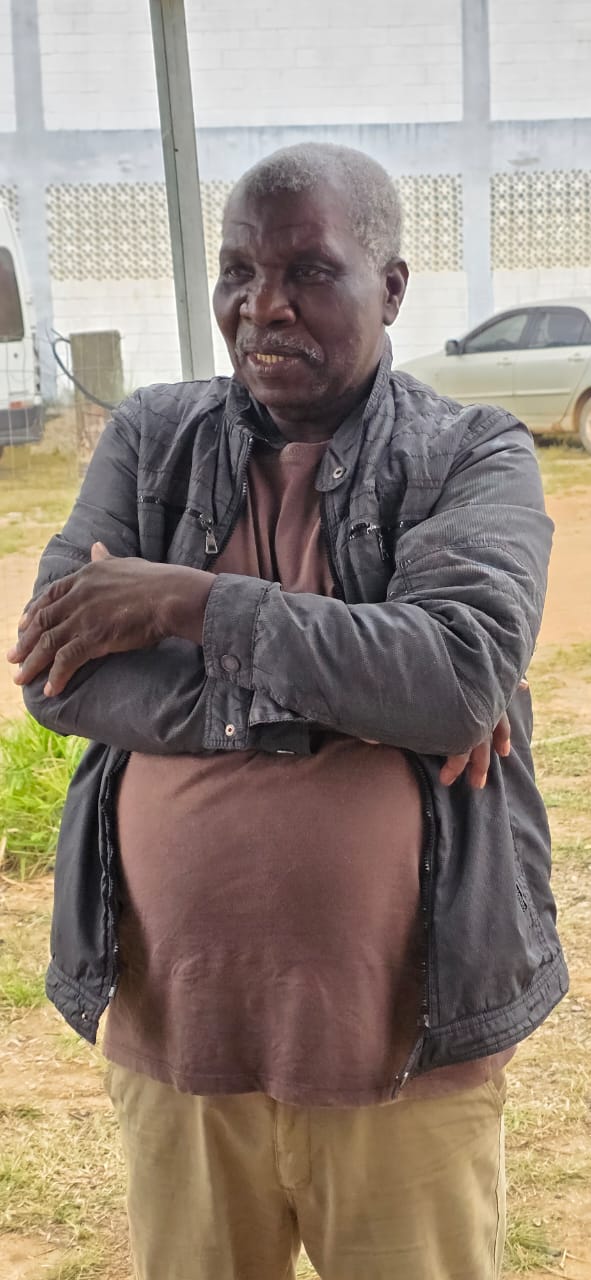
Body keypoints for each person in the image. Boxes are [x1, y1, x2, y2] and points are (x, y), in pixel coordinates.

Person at [9, 143, 567, 1280]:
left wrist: (187, 601)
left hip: (405, 1050)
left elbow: (454, 675)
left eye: (309, 271)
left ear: (390, 287)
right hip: (179, 1032)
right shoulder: (150, 439)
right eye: (238, 270)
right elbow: (59, 674)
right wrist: (361, 702)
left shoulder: (470, 450)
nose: (263, 305)